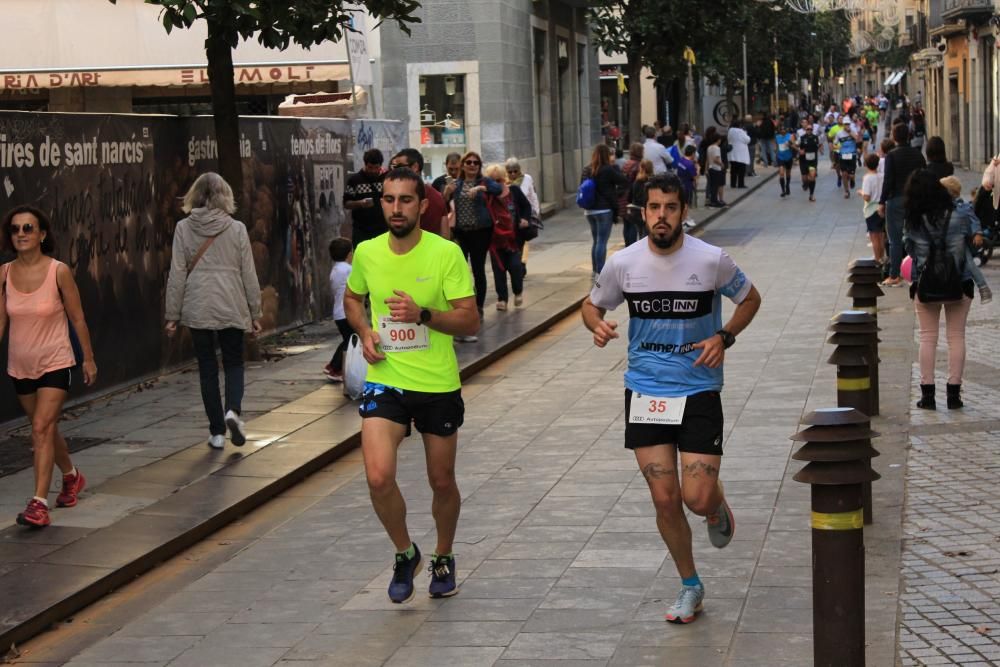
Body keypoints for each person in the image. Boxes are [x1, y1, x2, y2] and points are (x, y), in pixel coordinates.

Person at [581, 173, 762, 624]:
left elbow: (750, 298)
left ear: (684, 211)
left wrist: (724, 336)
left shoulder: (711, 260)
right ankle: (690, 585)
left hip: (699, 387)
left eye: (671, 208)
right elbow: (591, 304)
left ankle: (715, 506)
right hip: (645, 390)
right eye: (654, 208)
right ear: (643, 212)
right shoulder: (625, 263)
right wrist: (596, 325)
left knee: (695, 498)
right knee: (665, 499)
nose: (662, 216)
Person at [344, 167, 479, 604]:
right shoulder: (366, 252)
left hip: (437, 384)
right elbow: (352, 297)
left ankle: (443, 555)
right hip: (387, 379)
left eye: (405, 200)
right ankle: (406, 552)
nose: (396, 208)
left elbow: (470, 319)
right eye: (388, 199)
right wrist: (365, 332)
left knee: (441, 481)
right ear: (380, 203)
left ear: (422, 205)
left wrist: (423, 315)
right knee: (378, 476)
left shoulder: (446, 254)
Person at [1, 205, 96, 528]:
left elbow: (78, 317)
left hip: (56, 360)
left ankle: (38, 503)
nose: (21, 234)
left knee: (40, 428)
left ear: (42, 234)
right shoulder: (3, 274)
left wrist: (89, 358)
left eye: (28, 228)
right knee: (46, 428)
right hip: (20, 365)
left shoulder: (58, 271)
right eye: (15, 229)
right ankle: (71, 476)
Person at [165, 172, 262, 449]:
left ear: (194, 196)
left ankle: (217, 432)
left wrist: (172, 315)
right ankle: (233, 410)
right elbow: (249, 274)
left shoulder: (184, 228)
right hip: (231, 301)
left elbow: (177, 273)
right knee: (233, 363)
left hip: (197, 304)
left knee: (207, 367)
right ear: (226, 196)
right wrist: (255, 312)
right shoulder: (237, 228)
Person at [904, 170, 978, 411]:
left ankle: (927, 396)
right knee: (956, 336)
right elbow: (970, 245)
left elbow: (911, 251)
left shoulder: (914, 218)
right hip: (960, 281)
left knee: (927, 337)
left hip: (926, 283)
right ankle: (954, 395)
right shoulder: (959, 214)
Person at [450, 150, 504, 341]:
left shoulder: (484, 182)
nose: (472, 166)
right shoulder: (456, 184)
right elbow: (444, 200)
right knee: (461, 271)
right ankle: (463, 305)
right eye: (469, 162)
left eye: (476, 163)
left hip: (481, 231)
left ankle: (479, 307)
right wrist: (446, 193)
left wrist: (481, 189)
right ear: (463, 165)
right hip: (461, 232)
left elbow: (499, 190)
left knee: (478, 269)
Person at [879, 123, 926, 287]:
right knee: (917, 236)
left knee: (895, 239)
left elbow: (888, 180)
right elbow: (923, 177)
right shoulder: (917, 155)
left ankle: (895, 275)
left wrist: (881, 202)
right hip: (914, 200)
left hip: (896, 199)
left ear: (894, 136)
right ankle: (920, 270)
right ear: (909, 135)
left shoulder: (891, 156)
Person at [483, 164, 528, 310]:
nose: (496, 184)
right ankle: (502, 298)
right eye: (492, 181)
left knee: (515, 267)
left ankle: (518, 291)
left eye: (499, 180)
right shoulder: (487, 195)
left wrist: (525, 219)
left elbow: (526, 206)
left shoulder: (513, 191)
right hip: (495, 240)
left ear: (504, 179)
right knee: (499, 270)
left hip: (513, 239)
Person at [940, 176, 991, 303]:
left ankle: (983, 287)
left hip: (961, 241)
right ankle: (979, 287)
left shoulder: (963, 207)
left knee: (968, 262)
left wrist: (977, 233)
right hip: (948, 241)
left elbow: (974, 220)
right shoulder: (940, 207)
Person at [581, 143, 628, 277]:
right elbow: (624, 181)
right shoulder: (608, 169)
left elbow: (582, 187)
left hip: (589, 210)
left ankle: (595, 269)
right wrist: (616, 193)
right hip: (604, 210)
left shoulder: (587, 169)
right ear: (607, 155)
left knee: (596, 240)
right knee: (602, 241)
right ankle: (600, 271)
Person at [391, 149, 447, 238]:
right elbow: (445, 234)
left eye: (400, 166)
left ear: (415, 167)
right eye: (394, 167)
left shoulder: (399, 196)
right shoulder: (438, 196)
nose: (396, 171)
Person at [323, 237, 355, 382]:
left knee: (348, 339)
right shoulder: (348, 269)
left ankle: (333, 366)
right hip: (346, 311)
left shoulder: (335, 269)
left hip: (339, 312)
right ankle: (335, 368)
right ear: (349, 254)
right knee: (350, 339)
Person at [344, 149, 388, 248]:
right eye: (370, 167)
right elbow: (346, 203)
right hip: (362, 231)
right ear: (365, 164)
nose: (373, 171)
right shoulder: (354, 180)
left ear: (380, 166)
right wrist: (360, 203)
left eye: (376, 168)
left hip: (383, 229)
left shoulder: (386, 179)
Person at [859, 153, 886, 266]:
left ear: (866, 165)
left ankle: (877, 259)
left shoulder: (867, 178)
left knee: (874, 237)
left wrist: (860, 192)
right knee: (882, 236)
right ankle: (883, 258)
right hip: (882, 207)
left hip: (871, 210)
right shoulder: (882, 176)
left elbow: (867, 197)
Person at [621, 144, 645, 246]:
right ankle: (631, 247)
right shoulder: (638, 166)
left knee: (626, 224)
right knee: (633, 225)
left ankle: (627, 246)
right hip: (632, 199)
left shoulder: (627, 163)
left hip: (623, 198)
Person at [627, 159, 654, 245]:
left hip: (636, 211)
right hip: (646, 211)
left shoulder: (636, 181)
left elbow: (630, 196)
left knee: (640, 233)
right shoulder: (652, 182)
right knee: (645, 235)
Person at [835, 116, 861, 198]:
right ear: (843, 125)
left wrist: (850, 132)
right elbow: (835, 143)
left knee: (851, 175)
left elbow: (858, 139)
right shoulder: (839, 133)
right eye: (845, 124)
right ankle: (846, 191)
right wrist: (836, 147)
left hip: (852, 155)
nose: (847, 126)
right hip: (843, 155)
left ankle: (852, 180)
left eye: (848, 124)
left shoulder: (853, 131)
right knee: (844, 174)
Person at [797, 120, 821, 202]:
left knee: (812, 177)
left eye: (811, 129)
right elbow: (795, 145)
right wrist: (799, 151)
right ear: (805, 130)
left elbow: (819, 145)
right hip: (803, 161)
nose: (809, 131)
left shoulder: (815, 138)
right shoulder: (801, 138)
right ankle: (805, 183)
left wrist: (820, 149)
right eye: (808, 129)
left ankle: (811, 194)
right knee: (804, 178)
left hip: (812, 161)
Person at [702, 128, 726, 208]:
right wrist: (721, 164)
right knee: (716, 185)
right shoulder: (717, 148)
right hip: (716, 168)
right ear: (718, 140)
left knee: (712, 185)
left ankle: (712, 200)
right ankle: (715, 201)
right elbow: (716, 159)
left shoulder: (709, 147)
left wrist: (706, 169)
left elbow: (708, 159)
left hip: (710, 168)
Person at [727, 120, 751, 189]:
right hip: (741, 154)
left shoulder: (730, 131)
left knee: (733, 170)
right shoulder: (741, 131)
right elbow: (747, 140)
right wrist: (746, 133)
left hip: (732, 153)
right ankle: (741, 184)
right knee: (741, 170)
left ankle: (733, 184)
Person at [775, 124, 796, 198]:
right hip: (780, 157)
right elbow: (777, 147)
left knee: (788, 173)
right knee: (781, 173)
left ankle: (787, 185)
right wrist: (776, 155)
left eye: (784, 129)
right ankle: (783, 190)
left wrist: (790, 143)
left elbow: (793, 145)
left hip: (788, 157)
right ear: (779, 130)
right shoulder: (777, 137)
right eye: (781, 129)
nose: (783, 131)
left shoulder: (790, 136)